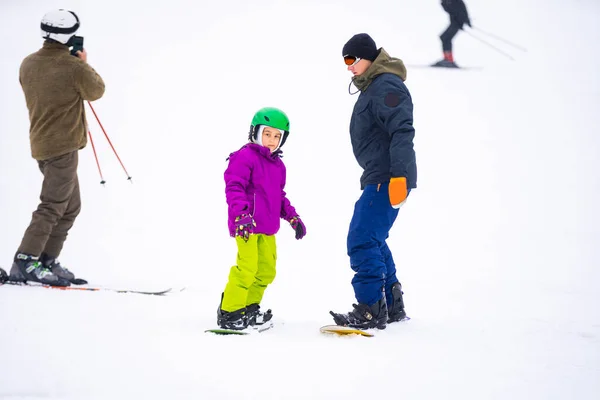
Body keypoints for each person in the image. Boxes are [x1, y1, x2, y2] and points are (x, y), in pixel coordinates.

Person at [9, 9, 105, 287]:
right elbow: (96, 91)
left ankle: (46, 260)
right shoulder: (72, 66)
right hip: (62, 147)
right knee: (53, 206)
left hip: (42, 143)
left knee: (70, 206)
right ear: (68, 35)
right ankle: (27, 260)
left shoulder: (28, 63)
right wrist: (84, 63)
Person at [330, 33, 416, 330]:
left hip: (386, 177)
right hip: (379, 176)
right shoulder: (375, 87)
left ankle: (370, 309)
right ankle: (391, 305)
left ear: (368, 56)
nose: (349, 66)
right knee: (374, 239)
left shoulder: (385, 85)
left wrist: (400, 176)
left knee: (362, 238)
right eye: (345, 61)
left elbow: (402, 130)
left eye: (352, 59)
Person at [217, 107, 306, 330]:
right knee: (247, 268)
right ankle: (230, 311)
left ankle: (248, 307)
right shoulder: (244, 157)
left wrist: (292, 217)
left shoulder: (278, 166)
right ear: (255, 132)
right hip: (246, 225)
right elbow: (234, 187)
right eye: (267, 134)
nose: (272, 140)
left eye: (277, 136)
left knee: (266, 270)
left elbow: (279, 195)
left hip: (267, 227)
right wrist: (241, 215)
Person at [433, 0, 472, 68]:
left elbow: (461, 9)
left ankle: (448, 60)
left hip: (457, 22)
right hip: (455, 22)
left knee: (445, 38)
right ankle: (448, 59)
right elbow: (451, 10)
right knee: (444, 38)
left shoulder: (454, 1)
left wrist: (465, 20)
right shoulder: (448, 2)